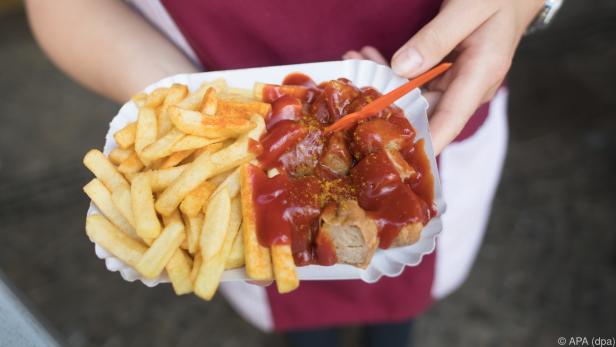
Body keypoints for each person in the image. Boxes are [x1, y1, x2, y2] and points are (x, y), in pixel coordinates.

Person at [25, 0, 554, 346]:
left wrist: (522, 7)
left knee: (401, 306)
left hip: (441, 115)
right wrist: (199, 102)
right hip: (227, 169)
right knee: (304, 324)